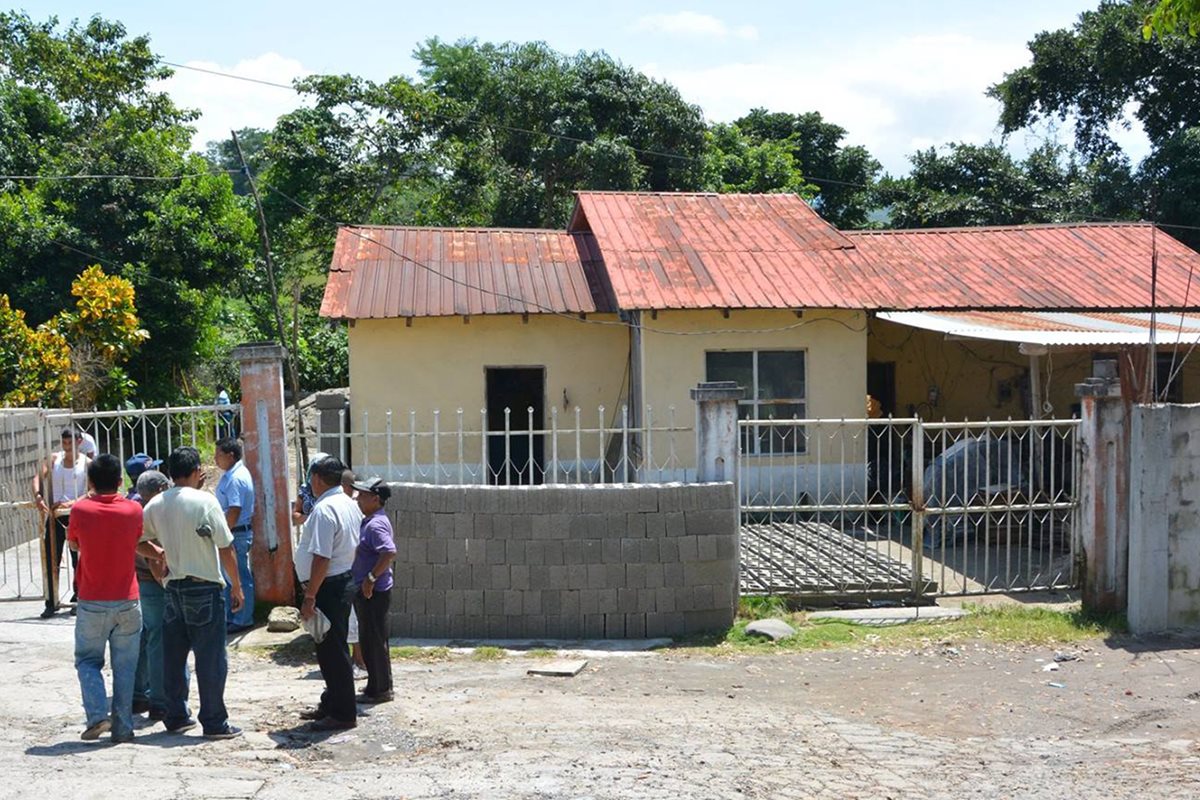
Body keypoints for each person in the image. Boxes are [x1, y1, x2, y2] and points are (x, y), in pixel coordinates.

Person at [139, 446, 243, 739]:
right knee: (210, 659)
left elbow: (137, 540)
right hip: (205, 587)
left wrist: (159, 555)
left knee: (174, 657)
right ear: (197, 470)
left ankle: (176, 716)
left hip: (173, 587)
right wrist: (237, 586)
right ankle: (214, 722)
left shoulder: (156, 504)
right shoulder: (205, 501)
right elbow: (226, 546)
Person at [67, 454, 144, 744]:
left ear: (90, 482)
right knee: (126, 666)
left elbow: (73, 543)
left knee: (88, 661)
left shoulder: (80, 509)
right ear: (120, 481)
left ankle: (98, 714)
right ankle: (123, 728)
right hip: (128, 598)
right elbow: (136, 540)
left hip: (92, 599)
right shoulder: (134, 510)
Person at [295, 456, 362, 731]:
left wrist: (310, 597)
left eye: (312, 478)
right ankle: (332, 703)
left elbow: (321, 557)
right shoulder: (347, 503)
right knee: (332, 648)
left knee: (332, 652)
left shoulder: (325, 510)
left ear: (318, 479)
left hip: (328, 585)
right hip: (341, 580)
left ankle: (344, 714)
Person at [33, 427, 91, 618]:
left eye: (70, 443)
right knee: (52, 558)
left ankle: (79, 597)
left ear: (79, 442)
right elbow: (38, 477)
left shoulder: (86, 463)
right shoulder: (54, 459)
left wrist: (73, 501)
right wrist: (38, 495)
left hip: (77, 515)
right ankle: (51, 600)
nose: (67, 447)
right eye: (64, 443)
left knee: (78, 559)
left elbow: (92, 491)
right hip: (55, 515)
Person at [350, 477, 396, 704]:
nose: (358, 498)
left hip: (374, 592)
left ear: (375, 499)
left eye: (363, 495)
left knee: (374, 639)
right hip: (370, 589)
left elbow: (389, 552)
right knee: (370, 639)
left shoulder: (376, 524)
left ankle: (380, 690)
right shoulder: (371, 520)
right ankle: (376, 686)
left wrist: (370, 578)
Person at [131, 469, 171, 721]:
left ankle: (137, 696)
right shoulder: (154, 514)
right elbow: (156, 559)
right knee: (159, 642)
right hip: (156, 583)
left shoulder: (134, 510)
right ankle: (159, 701)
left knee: (145, 638)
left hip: (140, 582)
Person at [214, 438, 255, 632]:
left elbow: (234, 509)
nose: (215, 459)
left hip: (235, 534)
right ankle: (234, 615)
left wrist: (224, 533)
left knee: (238, 577)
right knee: (232, 577)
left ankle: (242, 619)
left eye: (218, 455)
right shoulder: (234, 473)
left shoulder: (235, 478)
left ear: (230, 456)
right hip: (236, 533)